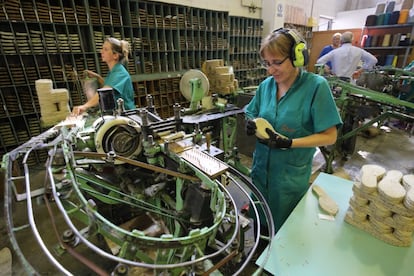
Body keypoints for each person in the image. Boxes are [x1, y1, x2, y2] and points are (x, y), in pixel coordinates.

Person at [245, 28, 343, 233]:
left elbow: (330, 136)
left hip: (288, 180)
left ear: (297, 56)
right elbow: (251, 111)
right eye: (267, 64)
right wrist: (251, 122)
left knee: (284, 235)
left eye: (277, 62)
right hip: (261, 175)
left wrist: (290, 143)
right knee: (261, 229)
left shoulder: (316, 87)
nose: (271, 70)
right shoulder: (266, 86)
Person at [72, 37, 135, 115]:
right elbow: (109, 85)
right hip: (117, 114)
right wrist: (98, 77)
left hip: (125, 115)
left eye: (106, 49)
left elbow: (105, 92)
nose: (101, 51)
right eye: (102, 49)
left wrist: (85, 106)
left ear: (115, 55)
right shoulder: (114, 71)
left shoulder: (120, 73)